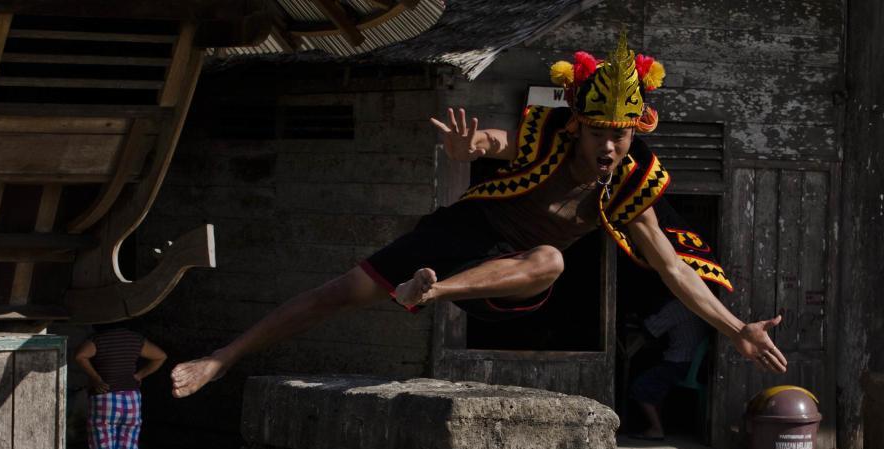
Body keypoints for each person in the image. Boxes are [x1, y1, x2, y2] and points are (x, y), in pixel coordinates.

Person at [171, 30, 787, 399]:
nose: (609, 146)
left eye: (621, 135)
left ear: (635, 133)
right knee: (337, 292)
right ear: (577, 125)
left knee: (551, 259)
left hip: (509, 275)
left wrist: (736, 330)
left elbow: (674, 270)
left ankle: (430, 296)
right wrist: (471, 149)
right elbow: (494, 142)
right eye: (599, 131)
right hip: (463, 232)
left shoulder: (632, 183)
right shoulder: (543, 135)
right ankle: (222, 357)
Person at [75, 323, 167, 449]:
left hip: (105, 399)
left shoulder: (98, 340)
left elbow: (80, 355)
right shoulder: (135, 339)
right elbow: (160, 356)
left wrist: (96, 378)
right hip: (131, 399)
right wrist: (139, 375)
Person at [627, 298, 710, 441]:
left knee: (641, 387)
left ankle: (656, 429)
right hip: (699, 362)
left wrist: (636, 319)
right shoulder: (699, 302)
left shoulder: (677, 306)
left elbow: (651, 328)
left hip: (681, 361)